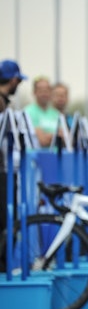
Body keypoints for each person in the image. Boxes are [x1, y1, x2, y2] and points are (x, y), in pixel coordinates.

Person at [0, 59, 27, 272]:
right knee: (5, 224)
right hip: (3, 172)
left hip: (5, 170)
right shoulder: (1, 104)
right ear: (14, 80)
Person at [24, 76, 61, 148]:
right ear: (34, 92)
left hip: (55, 154)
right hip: (36, 154)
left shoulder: (56, 113)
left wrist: (48, 136)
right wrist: (56, 136)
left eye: (47, 90)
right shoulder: (28, 112)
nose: (44, 93)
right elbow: (42, 141)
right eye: (41, 90)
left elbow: (65, 138)